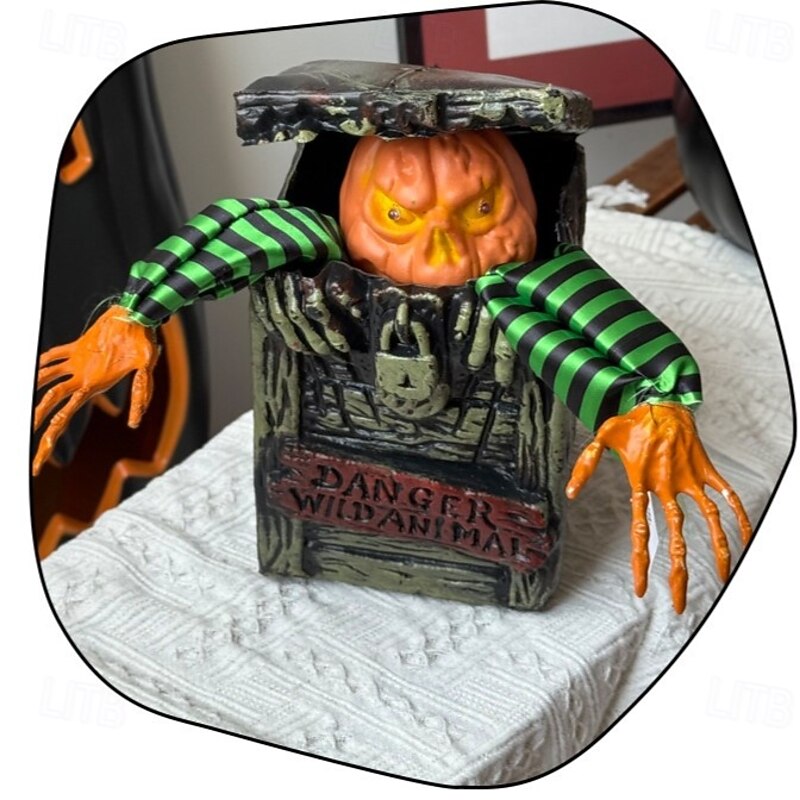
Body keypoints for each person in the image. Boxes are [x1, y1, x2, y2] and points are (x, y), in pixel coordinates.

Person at [34, 129, 751, 612]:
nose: (444, 254)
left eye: (481, 209)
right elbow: (242, 232)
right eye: (400, 219)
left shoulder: (521, 287)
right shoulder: (315, 237)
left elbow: (597, 314)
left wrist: (656, 403)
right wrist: (135, 312)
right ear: (351, 212)